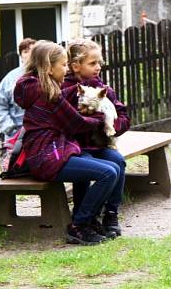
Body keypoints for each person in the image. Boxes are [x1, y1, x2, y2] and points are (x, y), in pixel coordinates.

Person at [13, 40, 119, 245]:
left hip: (48, 153)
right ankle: (79, 225)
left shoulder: (37, 87)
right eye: (62, 65)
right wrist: (100, 118)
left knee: (111, 166)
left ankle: (87, 221)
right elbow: (76, 123)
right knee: (108, 172)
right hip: (48, 157)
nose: (66, 68)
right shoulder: (47, 93)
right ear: (48, 67)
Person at [63, 39, 131, 238]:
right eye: (92, 63)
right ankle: (85, 218)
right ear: (76, 66)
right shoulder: (66, 90)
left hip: (99, 143)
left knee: (118, 161)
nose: (98, 67)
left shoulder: (103, 89)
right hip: (75, 147)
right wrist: (94, 119)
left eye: (99, 62)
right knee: (91, 167)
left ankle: (111, 213)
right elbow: (70, 123)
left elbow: (124, 116)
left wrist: (111, 128)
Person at [0, 38, 36, 138]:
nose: (29, 54)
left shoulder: (47, 75)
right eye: (25, 51)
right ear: (21, 56)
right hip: (17, 137)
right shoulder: (10, 79)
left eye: (33, 51)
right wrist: (12, 131)